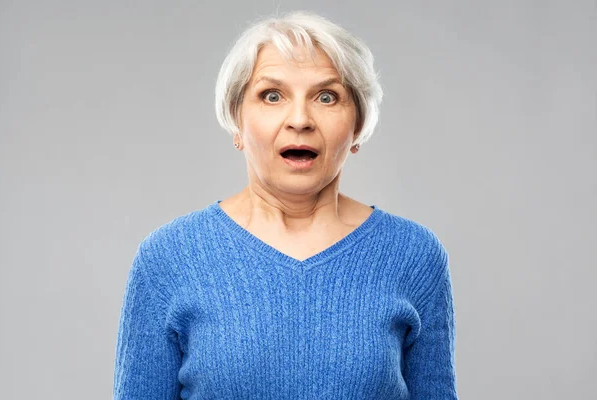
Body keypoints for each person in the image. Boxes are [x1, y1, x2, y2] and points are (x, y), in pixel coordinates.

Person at [113, 10, 458, 400]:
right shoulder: (168, 258)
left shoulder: (414, 255)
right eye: (272, 95)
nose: (300, 119)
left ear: (358, 126)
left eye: (327, 97)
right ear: (236, 119)